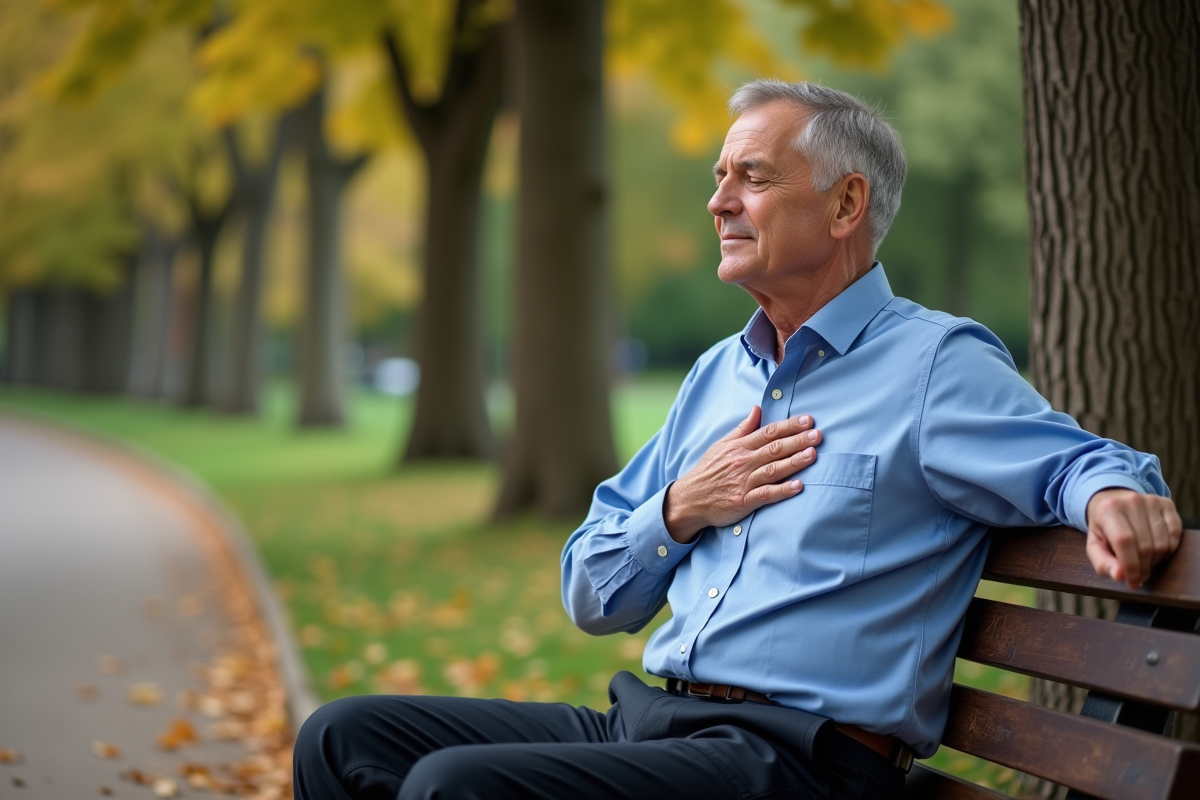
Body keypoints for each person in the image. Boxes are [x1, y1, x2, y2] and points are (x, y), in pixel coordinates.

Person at [293, 80, 1182, 800]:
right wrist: (680, 510)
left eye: (751, 177)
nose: (718, 202)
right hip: (653, 724)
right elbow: (590, 591)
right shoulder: (719, 374)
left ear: (845, 205)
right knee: (343, 737)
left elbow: (1081, 460)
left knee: (459, 789)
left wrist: (1110, 495)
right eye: (719, 178)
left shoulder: (933, 364)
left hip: (797, 762)